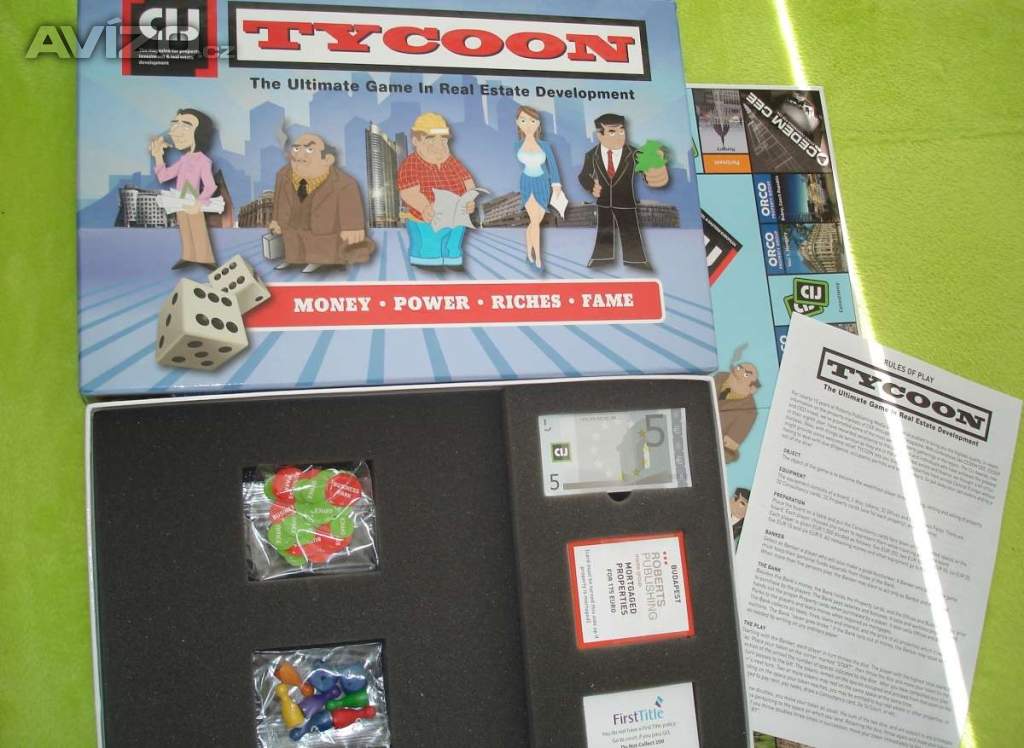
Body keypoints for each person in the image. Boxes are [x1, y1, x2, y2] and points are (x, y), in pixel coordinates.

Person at [268, 133, 373, 273]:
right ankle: (293, 259)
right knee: (292, 238)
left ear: (327, 160)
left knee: (322, 241)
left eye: (309, 149)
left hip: (325, 237)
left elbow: (352, 212)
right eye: (296, 148)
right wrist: (276, 220)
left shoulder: (345, 184)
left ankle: (320, 261)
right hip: (292, 231)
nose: (299, 154)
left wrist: (353, 227)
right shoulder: (283, 175)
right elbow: (279, 199)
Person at [577, 113, 666, 269]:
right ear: (600, 135)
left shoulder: (634, 153)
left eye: (621, 131)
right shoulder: (591, 155)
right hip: (604, 202)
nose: (619, 136)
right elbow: (583, 176)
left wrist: (656, 173)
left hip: (626, 201)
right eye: (612, 132)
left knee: (630, 229)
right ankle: (602, 257)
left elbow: (647, 171)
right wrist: (591, 186)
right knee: (604, 230)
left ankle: (636, 260)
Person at [397, 113, 477, 268]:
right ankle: (427, 262)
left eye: (443, 139)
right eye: (431, 139)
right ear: (416, 141)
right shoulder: (411, 164)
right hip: (426, 219)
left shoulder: (452, 161)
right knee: (429, 248)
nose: (439, 145)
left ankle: (452, 259)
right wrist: (424, 207)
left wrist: (469, 199)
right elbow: (409, 191)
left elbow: (468, 181)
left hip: (456, 217)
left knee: (453, 246)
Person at [150, 108, 219, 270]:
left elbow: (211, 186)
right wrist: (158, 156)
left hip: (194, 200)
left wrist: (199, 203)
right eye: (175, 124)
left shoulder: (203, 161)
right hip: (180, 200)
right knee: (185, 229)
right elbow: (164, 176)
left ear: (198, 132)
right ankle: (188, 256)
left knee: (198, 229)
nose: (176, 130)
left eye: (185, 125)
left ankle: (205, 258)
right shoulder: (184, 159)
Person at [513, 106, 561, 268]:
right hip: (527, 183)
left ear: (538, 123)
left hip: (543, 183)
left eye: (532, 121)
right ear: (518, 123)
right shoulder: (517, 145)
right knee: (534, 221)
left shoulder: (545, 146)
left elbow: (553, 166)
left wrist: (556, 185)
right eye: (523, 120)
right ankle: (538, 258)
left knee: (535, 221)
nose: (528, 124)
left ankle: (529, 252)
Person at [714, 362, 760, 463]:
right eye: (739, 368)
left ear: (752, 389)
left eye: (746, 374)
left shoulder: (748, 412)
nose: (738, 373)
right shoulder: (721, 377)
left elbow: (728, 446)